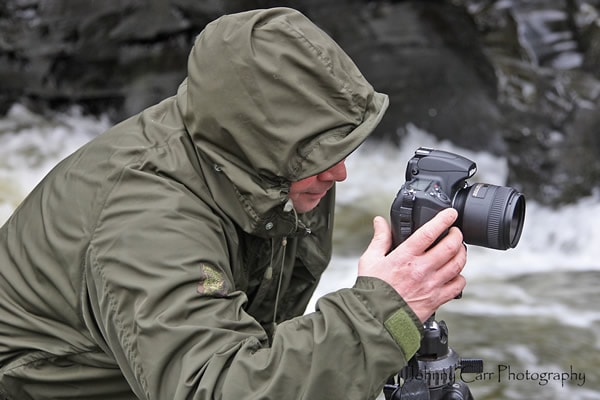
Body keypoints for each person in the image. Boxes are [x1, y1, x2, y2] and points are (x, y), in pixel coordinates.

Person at [0, 7, 466, 400]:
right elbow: (216, 387)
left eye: (342, 149)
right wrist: (384, 312)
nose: (338, 173)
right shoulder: (148, 220)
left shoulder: (283, 170)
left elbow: (263, 337)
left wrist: (392, 326)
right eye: (317, 155)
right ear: (252, 141)